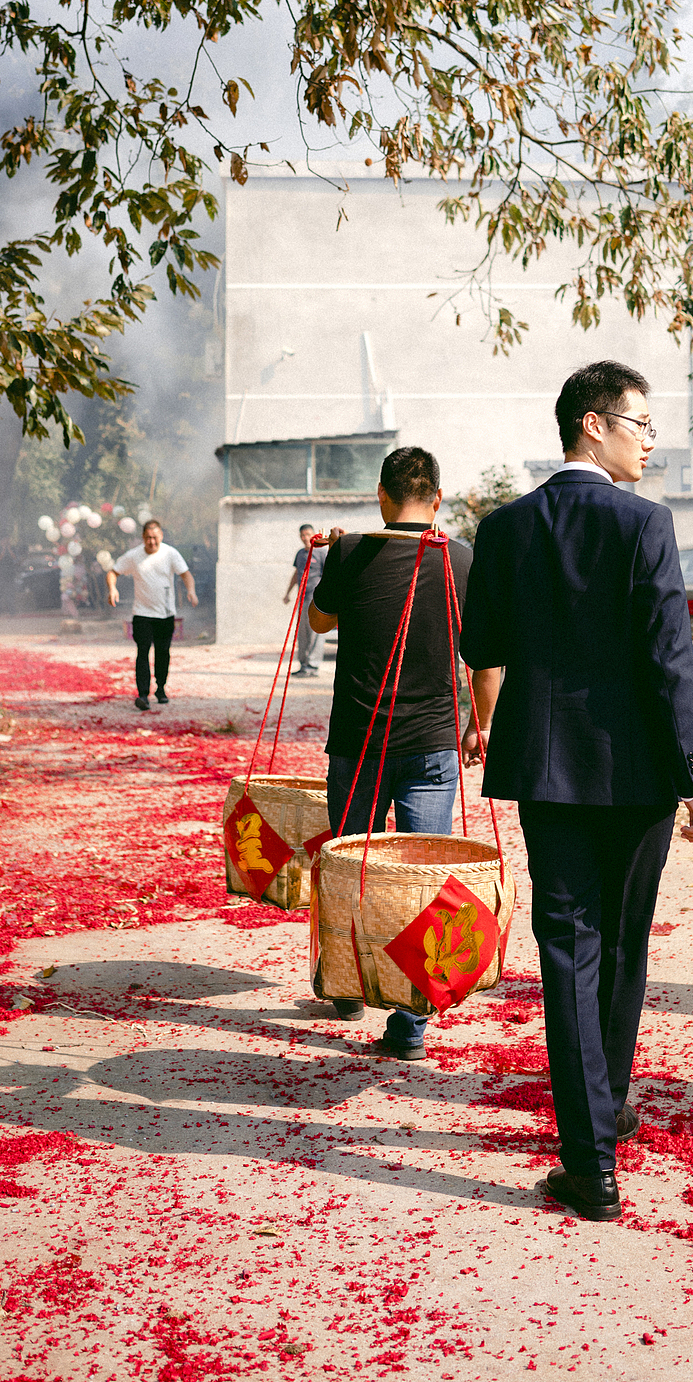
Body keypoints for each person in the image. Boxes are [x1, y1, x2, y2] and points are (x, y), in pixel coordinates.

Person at [459, 359, 693, 1222]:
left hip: (547, 769)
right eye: (641, 425)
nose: (650, 443)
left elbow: (481, 645)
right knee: (624, 941)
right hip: (639, 774)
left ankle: (590, 1157)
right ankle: (604, 1112)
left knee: (569, 948)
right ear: (593, 424)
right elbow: (669, 661)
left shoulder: (504, 528)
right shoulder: (646, 523)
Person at [308, 445, 484, 1061]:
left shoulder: (353, 551)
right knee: (422, 881)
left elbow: (320, 623)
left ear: (381, 496)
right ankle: (409, 1027)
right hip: (433, 744)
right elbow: (482, 654)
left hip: (359, 743)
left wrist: (334, 554)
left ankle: (346, 986)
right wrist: (478, 725)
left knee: (350, 869)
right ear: (437, 498)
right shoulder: (461, 558)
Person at [106, 519, 199, 711]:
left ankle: (161, 688)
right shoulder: (134, 556)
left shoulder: (170, 553)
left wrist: (191, 591)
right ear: (143, 537)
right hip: (142, 613)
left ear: (161, 536)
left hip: (165, 614)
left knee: (162, 653)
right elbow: (113, 572)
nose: (152, 542)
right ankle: (142, 694)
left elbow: (186, 574)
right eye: (148, 538)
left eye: (155, 537)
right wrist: (112, 589)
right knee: (143, 652)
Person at [284, 523, 327, 676]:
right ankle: (303, 665)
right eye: (302, 535)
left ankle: (313, 666)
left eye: (308, 534)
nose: (305, 538)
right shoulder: (300, 554)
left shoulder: (321, 553)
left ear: (314, 535)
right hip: (302, 599)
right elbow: (297, 574)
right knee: (302, 633)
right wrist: (288, 593)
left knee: (315, 633)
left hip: (316, 600)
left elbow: (329, 575)